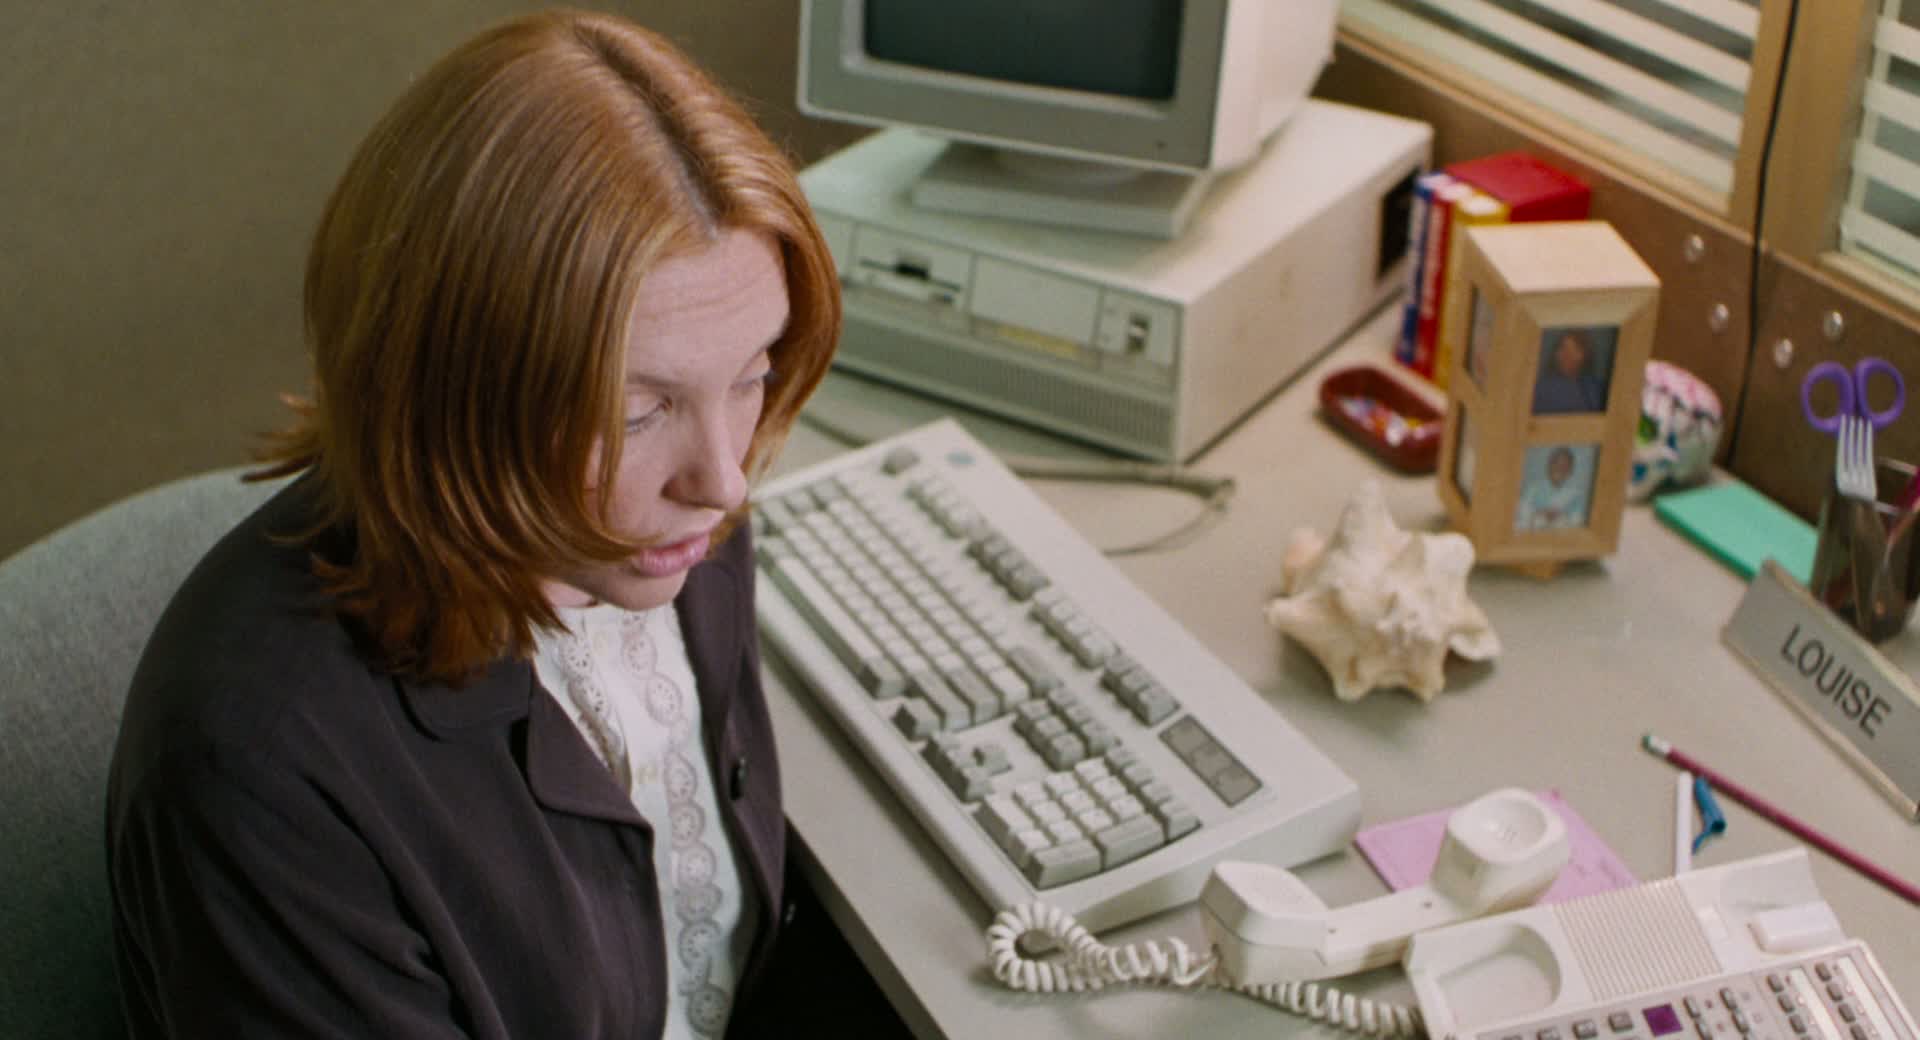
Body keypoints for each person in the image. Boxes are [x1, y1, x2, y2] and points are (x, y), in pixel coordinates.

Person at [105, 11, 899, 1037]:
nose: (724, 480)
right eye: (635, 410)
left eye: (751, 374)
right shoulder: (262, 768)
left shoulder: (669, 523)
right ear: (450, 385)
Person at [1532, 328, 1609, 414]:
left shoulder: (1597, 388)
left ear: (1586, 354)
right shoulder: (1540, 389)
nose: (1567, 355)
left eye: (1575, 349)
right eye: (1563, 348)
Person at [1517, 446, 1587, 530]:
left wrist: (1561, 517)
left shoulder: (1576, 495)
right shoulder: (1533, 489)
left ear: (1570, 471)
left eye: (1564, 466)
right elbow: (1522, 514)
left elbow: (1578, 522)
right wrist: (1540, 514)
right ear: (1549, 466)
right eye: (1556, 463)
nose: (1559, 469)